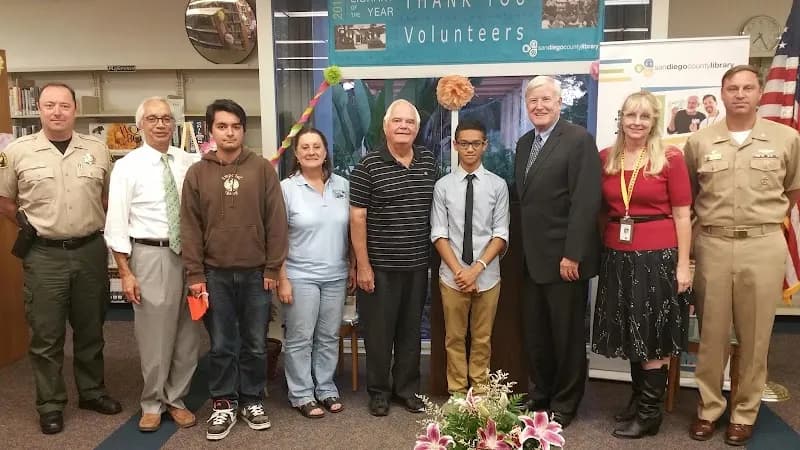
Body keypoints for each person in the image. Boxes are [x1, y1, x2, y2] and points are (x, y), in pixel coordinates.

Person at [685, 65, 800, 446]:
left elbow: (792, 194)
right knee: (712, 333)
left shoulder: (786, 138)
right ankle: (709, 408)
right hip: (713, 244)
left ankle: (744, 412)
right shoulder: (700, 141)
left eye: (747, 88)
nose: (739, 94)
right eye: (732, 88)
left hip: (763, 244)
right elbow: (689, 199)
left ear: (759, 92)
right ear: (721, 93)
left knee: (755, 337)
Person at [0, 82, 122, 434]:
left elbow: (107, 197)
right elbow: (6, 200)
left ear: (75, 110)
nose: (57, 111)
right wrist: (28, 226)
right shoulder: (18, 151)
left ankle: (92, 391)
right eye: (49, 105)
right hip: (44, 255)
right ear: (38, 108)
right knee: (46, 334)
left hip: (89, 251)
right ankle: (50, 403)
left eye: (64, 105)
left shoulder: (97, 149)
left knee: (91, 328)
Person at [181, 99, 288, 441]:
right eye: (222, 126)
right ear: (211, 131)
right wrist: (195, 276)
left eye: (236, 126)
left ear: (244, 130)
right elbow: (190, 228)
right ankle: (224, 403)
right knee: (223, 343)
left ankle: (253, 399)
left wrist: (272, 267)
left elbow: (276, 222)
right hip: (214, 274)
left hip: (258, 274)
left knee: (256, 343)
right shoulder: (198, 173)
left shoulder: (261, 169)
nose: (229, 132)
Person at [592, 91, 692, 439]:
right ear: (620, 118)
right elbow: (603, 209)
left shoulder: (670, 158)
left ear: (654, 121)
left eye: (645, 117)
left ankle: (650, 414)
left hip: (658, 256)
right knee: (634, 330)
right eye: (630, 115)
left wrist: (683, 265)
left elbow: (682, 213)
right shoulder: (607, 158)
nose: (637, 122)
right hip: (618, 256)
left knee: (653, 332)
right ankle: (638, 401)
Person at [103, 97, 201, 432]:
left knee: (189, 333)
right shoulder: (127, 166)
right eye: (152, 119)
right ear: (140, 125)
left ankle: (177, 398)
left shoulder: (189, 161)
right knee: (155, 335)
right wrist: (126, 273)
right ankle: (152, 403)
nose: (160, 124)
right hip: (150, 255)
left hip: (190, 257)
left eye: (166, 118)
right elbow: (116, 222)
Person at [513, 75, 601, 428]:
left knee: (566, 337)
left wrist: (573, 254)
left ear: (559, 103)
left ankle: (566, 402)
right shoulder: (523, 144)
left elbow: (585, 200)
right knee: (537, 335)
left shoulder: (578, 140)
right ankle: (542, 394)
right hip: (531, 260)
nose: (539, 106)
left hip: (565, 260)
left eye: (546, 99)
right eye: (533, 101)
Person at [349, 99, 436, 417]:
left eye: (409, 122)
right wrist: (363, 265)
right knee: (379, 333)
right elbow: (357, 218)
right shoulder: (367, 166)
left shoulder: (428, 160)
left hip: (417, 264)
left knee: (411, 330)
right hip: (380, 267)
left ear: (416, 129)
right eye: (397, 121)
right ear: (385, 127)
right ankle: (379, 392)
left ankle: (407, 390)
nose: (403, 126)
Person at [277, 127, 355, 418]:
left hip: (336, 274)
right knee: (300, 337)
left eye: (317, 146)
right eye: (305, 147)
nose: (311, 151)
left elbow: (350, 230)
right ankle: (301, 393)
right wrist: (282, 277)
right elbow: (277, 236)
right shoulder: (286, 188)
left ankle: (325, 387)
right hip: (300, 275)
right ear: (296, 154)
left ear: (325, 152)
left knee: (327, 336)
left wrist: (352, 265)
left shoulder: (343, 185)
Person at [430, 120, 509, 395]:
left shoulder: (498, 186)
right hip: (451, 276)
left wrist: (475, 270)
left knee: (483, 338)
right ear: (455, 145)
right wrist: (460, 271)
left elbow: (500, 233)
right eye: (464, 143)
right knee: (453, 338)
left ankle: (481, 392)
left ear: (485, 145)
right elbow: (439, 233)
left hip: (487, 275)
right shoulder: (443, 186)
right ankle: (458, 393)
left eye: (476, 143)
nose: (470, 149)